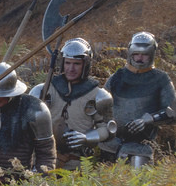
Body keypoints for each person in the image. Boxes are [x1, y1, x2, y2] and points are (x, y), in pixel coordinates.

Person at [29, 37, 115, 170]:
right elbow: (27, 125)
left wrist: (87, 138)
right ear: (62, 63)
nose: (71, 68)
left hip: (76, 163)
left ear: (85, 65)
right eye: (68, 63)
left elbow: (108, 129)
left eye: (77, 64)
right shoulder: (43, 90)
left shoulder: (98, 95)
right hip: (44, 160)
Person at [103, 31, 176, 166]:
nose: (139, 58)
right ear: (130, 54)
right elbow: (101, 108)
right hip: (110, 146)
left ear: (151, 55)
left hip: (140, 148)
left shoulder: (161, 79)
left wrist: (150, 119)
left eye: (144, 55)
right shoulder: (117, 78)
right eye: (136, 54)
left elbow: (173, 112)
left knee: (137, 185)